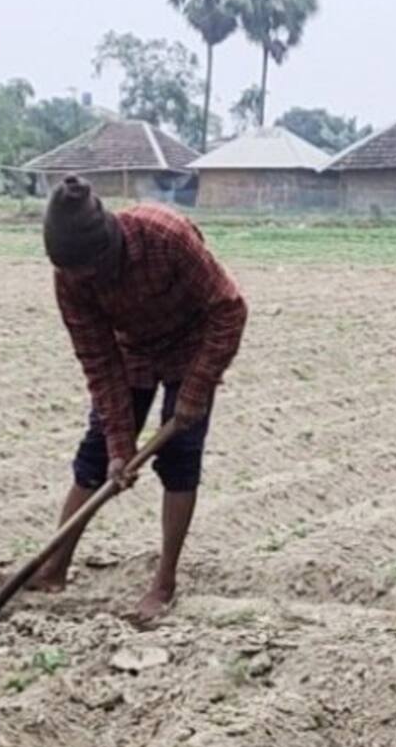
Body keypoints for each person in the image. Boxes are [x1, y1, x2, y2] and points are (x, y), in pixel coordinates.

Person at [31, 175, 248, 623]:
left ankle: (164, 583)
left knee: (179, 459)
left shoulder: (166, 236)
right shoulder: (70, 279)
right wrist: (119, 445)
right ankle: (54, 567)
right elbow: (98, 358)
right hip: (133, 354)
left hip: (193, 346)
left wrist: (196, 388)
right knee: (94, 459)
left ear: (109, 247)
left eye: (89, 271)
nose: (83, 281)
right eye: (73, 274)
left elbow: (229, 308)